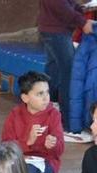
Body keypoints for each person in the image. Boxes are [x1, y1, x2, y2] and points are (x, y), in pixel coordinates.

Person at [38, 0, 95, 141]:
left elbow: (66, 3)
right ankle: (69, 126)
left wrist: (80, 8)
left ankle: (47, 111)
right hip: (56, 32)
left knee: (54, 72)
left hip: (53, 30)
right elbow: (59, 6)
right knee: (69, 75)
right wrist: (82, 22)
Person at [1, 71, 65, 173]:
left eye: (47, 92)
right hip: (18, 161)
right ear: (25, 98)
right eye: (40, 94)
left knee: (26, 172)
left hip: (45, 164)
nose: (46, 98)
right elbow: (6, 147)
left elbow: (59, 151)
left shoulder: (54, 114)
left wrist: (53, 144)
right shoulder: (15, 114)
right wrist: (28, 142)